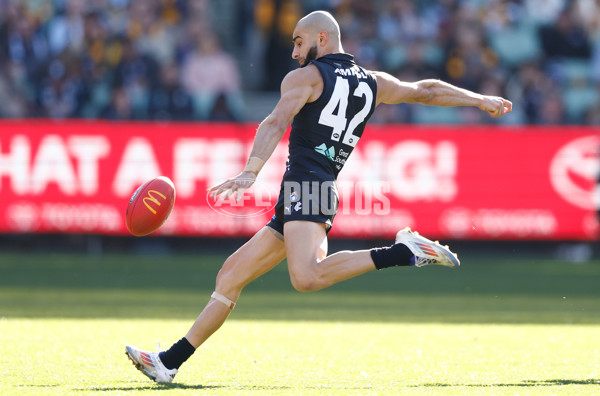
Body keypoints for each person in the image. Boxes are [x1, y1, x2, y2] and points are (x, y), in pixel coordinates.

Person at [125, 10, 512, 383]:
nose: (294, 52)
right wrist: (479, 99)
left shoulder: (306, 77)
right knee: (230, 276)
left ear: (321, 38)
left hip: (307, 187)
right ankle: (168, 362)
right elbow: (425, 90)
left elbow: (275, 121)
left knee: (307, 277)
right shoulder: (372, 81)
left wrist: (250, 171)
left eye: (299, 42)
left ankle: (403, 252)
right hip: (314, 188)